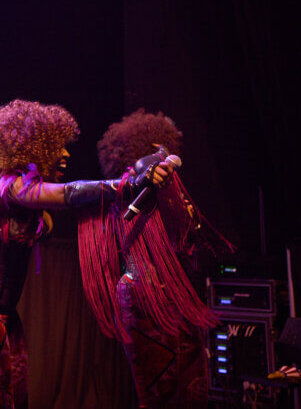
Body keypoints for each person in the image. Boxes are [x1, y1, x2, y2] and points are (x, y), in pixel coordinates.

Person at [0, 100, 176, 409]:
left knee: (18, 389)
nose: (66, 155)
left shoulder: (31, 198)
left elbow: (80, 202)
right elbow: (70, 194)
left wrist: (141, 177)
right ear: (33, 150)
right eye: (58, 148)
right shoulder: (9, 187)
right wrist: (126, 184)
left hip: (0, 306)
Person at [81, 109, 233, 408]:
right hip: (143, 296)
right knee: (158, 391)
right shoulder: (129, 189)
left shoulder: (172, 191)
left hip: (177, 295)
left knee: (192, 389)